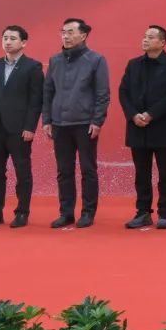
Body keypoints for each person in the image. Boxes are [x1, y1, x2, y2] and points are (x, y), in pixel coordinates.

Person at [0, 25, 44, 228]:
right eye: (5, 38)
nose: (8, 41)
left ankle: (22, 212)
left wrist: (30, 127)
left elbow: (36, 100)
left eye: (13, 38)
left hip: (19, 129)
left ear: (23, 42)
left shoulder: (33, 67)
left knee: (22, 172)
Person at [42, 18, 110, 229]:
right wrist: (47, 120)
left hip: (85, 124)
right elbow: (48, 92)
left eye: (71, 32)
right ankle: (66, 213)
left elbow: (102, 94)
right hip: (59, 124)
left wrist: (97, 120)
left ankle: (88, 212)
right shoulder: (55, 60)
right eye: (63, 32)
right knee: (64, 171)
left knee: (88, 170)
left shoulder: (96, 60)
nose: (66, 36)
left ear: (83, 35)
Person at [119, 25, 166, 230]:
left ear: (162, 42)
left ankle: (165, 212)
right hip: (137, 127)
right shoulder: (133, 64)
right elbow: (123, 92)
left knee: (165, 173)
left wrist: (151, 114)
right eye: (144, 36)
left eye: (150, 37)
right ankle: (143, 212)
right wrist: (133, 115)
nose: (145, 40)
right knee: (141, 173)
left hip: (163, 127)